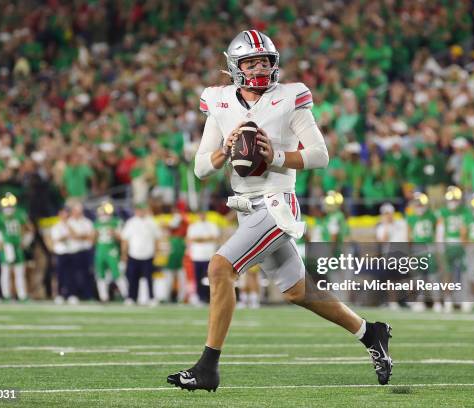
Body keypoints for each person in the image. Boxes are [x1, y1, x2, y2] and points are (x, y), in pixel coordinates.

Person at [167, 30, 393, 392]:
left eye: (265, 61)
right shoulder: (220, 100)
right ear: (235, 66)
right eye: (252, 61)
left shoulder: (289, 97)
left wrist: (276, 157)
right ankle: (371, 333)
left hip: (276, 203)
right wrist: (224, 151)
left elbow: (320, 154)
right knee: (297, 291)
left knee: (220, 268)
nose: (261, 67)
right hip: (245, 206)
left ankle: (208, 366)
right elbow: (199, 168)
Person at [0, 193, 32, 301]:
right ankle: (6, 295)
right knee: (6, 271)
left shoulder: (20, 214)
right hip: (6, 246)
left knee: (19, 272)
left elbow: (29, 227)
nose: (9, 208)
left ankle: (22, 295)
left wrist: (25, 240)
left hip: (17, 245)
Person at [121, 203, 162, 305]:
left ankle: (151, 298)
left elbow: (157, 239)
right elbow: (125, 240)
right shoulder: (131, 222)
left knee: (149, 278)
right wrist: (124, 254)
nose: (140, 212)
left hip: (148, 254)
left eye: (142, 210)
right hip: (133, 254)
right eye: (138, 210)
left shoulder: (151, 222)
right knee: (132, 277)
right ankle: (131, 297)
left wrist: (157, 252)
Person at [93, 201, 127, 302]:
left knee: (117, 273)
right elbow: (93, 241)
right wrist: (94, 235)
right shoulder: (97, 223)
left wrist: (114, 234)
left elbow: (122, 238)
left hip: (112, 250)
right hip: (100, 250)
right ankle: (103, 297)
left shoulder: (116, 221)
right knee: (100, 274)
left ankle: (127, 295)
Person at [186, 211, 220, 303]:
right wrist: (206, 238)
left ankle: (209, 296)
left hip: (209, 255)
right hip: (197, 255)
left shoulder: (212, 225)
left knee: (209, 278)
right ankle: (199, 296)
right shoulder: (193, 226)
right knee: (198, 277)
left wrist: (199, 239)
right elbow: (191, 238)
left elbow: (215, 237)